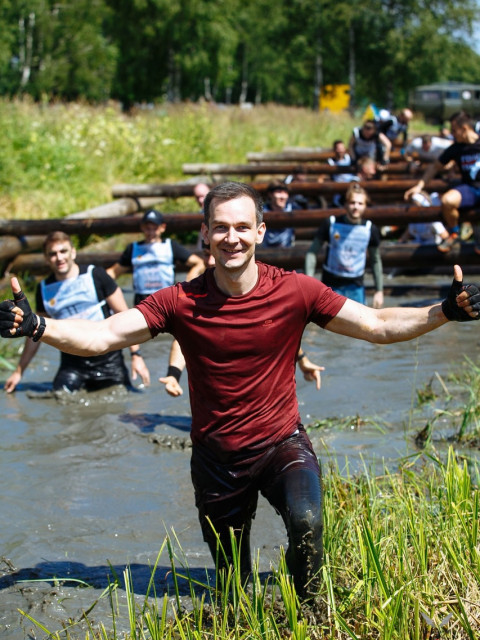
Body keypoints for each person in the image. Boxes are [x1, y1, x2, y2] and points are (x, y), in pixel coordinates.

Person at [1, 181, 479, 602]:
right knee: (234, 587)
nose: (232, 237)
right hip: (216, 460)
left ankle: (309, 610)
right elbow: (101, 337)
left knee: (307, 521)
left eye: (242, 227)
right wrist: (37, 325)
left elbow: (377, 324)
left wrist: (443, 311)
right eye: (221, 227)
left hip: (281, 445)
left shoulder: (296, 290)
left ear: (260, 232)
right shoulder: (179, 302)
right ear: (206, 234)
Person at [159, 245, 325, 396]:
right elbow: (184, 338)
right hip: (214, 398)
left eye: (213, 254)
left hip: (257, 392)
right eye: (205, 254)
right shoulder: (196, 295)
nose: (209, 261)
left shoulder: (257, 288)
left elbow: (275, 330)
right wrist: (173, 375)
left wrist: (302, 361)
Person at [4, 231, 150, 394]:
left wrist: (136, 356)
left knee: (121, 398)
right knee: (60, 397)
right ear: (46, 258)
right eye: (53, 254)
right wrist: (19, 372)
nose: (59, 258)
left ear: (73, 252)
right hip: (72, 362)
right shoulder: (44, 289)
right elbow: (35, 331)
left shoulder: (96, 275)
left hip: (108, 358)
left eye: (63, 251)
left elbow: (126, 316)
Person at [404, 111, 480, 254]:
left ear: (464, 128)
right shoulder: (456, 148)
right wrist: (419, 186)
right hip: (470, 189)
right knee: (447, 200)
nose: (452, 133)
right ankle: (455, 234)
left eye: (454, 130)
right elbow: (434, 167)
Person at [305, 183, 384, 309]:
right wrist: (308, 283)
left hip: (356, 286)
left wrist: (379, 291)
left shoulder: (370, 229)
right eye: (352, 202)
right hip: (330, 285)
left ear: (365, 206)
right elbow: (312, 252)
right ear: (346, 204)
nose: (356, 207)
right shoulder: (331, 224)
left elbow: (375, 260)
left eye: (360, 203)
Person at [107, 209, 204, 304]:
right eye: (148, 228)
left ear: (162, 227)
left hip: (167, 299)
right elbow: (114, 272)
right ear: (142, 227)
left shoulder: (170, 245)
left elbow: (198, 263)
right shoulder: (133, 248)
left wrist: (187, 284)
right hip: (142, 301)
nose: (151, 232)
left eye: (155, 228)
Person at [261, 180, 301, 248]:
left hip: (288, 251)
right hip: (265, 251)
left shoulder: (294, 209)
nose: (283, 196)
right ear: (270, 194)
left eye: (285, 192)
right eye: (279, 192)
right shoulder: (261, 211)